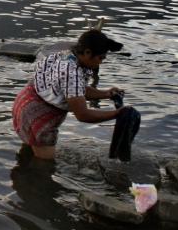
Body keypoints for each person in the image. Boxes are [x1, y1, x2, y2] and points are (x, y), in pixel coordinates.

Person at [12, 29, 125, 160]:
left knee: (29, 152)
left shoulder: (66, 55)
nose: (101, 62)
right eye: (100, 58)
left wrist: (106, 94)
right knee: (44, 165)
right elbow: (83, 115)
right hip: (38, 117)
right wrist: (118, 114)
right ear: (88, 52)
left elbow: (76, 90)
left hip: (24, 104)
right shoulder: (72, 73)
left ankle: (22, 172)